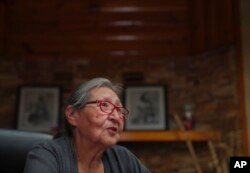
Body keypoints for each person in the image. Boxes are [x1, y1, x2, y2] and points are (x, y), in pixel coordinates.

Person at [24, 77, 151, 173]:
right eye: (104, 105)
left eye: (119, 110)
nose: (116, 117)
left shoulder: (123, 158)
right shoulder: (47, 155)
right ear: (73, 115)